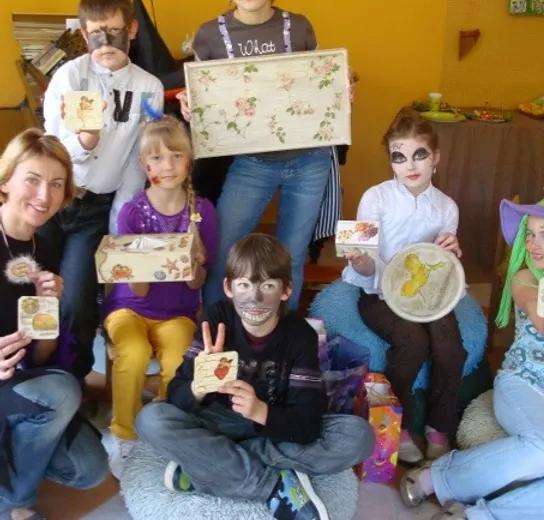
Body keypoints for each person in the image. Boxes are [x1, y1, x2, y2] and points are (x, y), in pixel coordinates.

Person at [136, 233, 374, 520]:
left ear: (286, 290)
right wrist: (200, 383)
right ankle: (270, 487)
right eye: (244, 285)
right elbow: (176, 397)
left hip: (273, 426)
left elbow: (308, 423)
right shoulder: (216, 319)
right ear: (229, 287)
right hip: (215, 422)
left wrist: (261, 411)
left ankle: (209, 466)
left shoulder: (300, 335)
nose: (255, 298)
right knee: (150, 420)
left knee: (358, 437)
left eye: (268, 286)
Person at [401, 186, 544, 520]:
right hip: (526, 384)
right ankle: (435, 477)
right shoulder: (526, 278)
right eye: (530, 234)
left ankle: (478, 517)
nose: (534, 244)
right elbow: (537, 309)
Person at [179, 0, 339, 311]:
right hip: (252, 163)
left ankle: (279, 333)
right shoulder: (210, 36)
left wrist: (337, 91)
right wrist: (193, 108)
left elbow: (316, 87)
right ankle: (217, 328)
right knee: (223, 251)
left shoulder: (299, 27)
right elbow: (208, 101)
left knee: (290, 257)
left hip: (309, 160)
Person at [42, 0, 164, 379]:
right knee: (32, 288)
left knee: (77, 300)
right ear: (83, 34)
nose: (106, 42)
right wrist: (84, 142)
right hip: (52, 200)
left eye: (114, 31)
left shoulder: (149, 87)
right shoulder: (70, 76)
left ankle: (73, 380)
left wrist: (119, 219)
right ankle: (29, 371)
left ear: (132, 29)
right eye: (96, 33)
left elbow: (136, 160)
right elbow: (51, 144)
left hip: (97, 208)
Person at [342, 115, 466, 465]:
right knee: (413, 343)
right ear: (391, 161)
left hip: (428, 295)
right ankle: (402, 425)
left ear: (436, 157)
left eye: (419, 155)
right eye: (399, 157)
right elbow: (365, 264)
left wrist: (451, 251)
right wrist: (361, 262)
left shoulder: (446, 206)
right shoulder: (376, 198)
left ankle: (439, 426)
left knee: (450, 348)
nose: (410, 166)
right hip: (378, 292)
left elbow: (441, 266)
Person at [0, 129, 107, 520]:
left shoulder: (43, 249)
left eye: (57, 184)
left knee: (89, 468)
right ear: (5, 181)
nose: (45, 196)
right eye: (32, 179)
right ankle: (13, 505)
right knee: (61, 393)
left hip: (16, 386)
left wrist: (50, 310)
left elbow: (41, 355)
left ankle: (14, 459)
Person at [101, 116, 217, 478]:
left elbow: (198, 284)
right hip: (129, 308)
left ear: (189, 161)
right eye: (157, 158)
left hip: (177, 313)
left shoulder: (203, 211)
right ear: (144, 165)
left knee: (179, 360)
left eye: (176, 156)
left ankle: (166, 431)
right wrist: (143, 268)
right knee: (133, 353)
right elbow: (135, 289)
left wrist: (194, 264)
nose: (167, 166)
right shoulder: (133, 212)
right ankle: (124, 434)